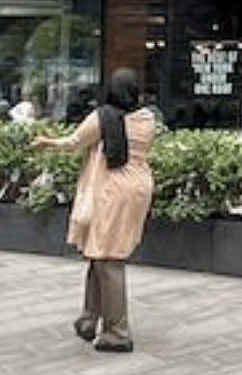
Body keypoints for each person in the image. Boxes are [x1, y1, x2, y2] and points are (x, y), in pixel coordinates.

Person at [34, 69, 155, 353]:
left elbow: (74, 142)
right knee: (98, 253)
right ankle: (89, 318)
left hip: (112, 189)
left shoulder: (103, 117)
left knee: (109, 258)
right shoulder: (147, 118)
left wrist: (47, 142)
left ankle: (118, 331)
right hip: (138, 186)